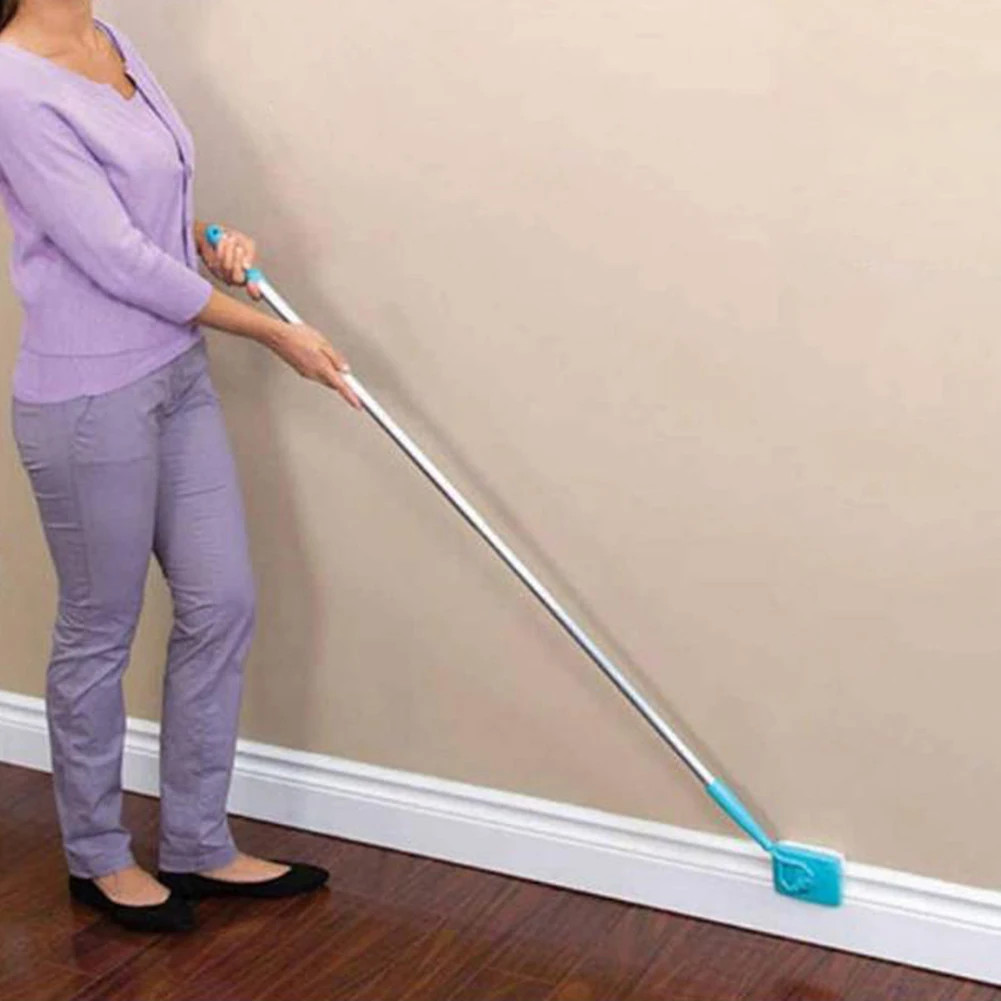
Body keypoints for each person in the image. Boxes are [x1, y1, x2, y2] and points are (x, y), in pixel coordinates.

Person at [0, 0, 362, 934]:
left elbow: (144, 215)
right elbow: (112, 256)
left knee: (222, 600)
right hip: (89, 397)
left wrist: (207, 241)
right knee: (99, 629)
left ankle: (199, 839)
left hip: (176, 375)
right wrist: (274, 334)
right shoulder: (11, 85)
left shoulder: (109, 38)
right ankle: (97, 855)